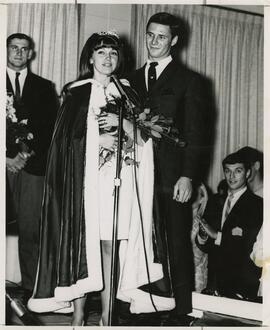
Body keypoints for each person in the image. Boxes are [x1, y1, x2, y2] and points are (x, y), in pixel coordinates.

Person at [28, 31, 175, 326]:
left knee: (111, 247)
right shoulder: (77, 92)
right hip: (85, 182)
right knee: (84, 244)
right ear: (90, 57)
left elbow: (145, 138)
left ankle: (107, 317)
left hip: (118, 181)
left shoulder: (130, 93)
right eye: (101, 53)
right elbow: (64, 142)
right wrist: (97, 141)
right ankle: (79, 316)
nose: (108, 59)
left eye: (113, 53)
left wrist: (124, 129)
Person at [128, 12, 208, 325]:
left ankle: (181, 309)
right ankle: (142, 305)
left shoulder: (190, 81)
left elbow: (197, 134)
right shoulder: (130, 79)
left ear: (174, 40)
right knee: (139, 241)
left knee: (174, 241)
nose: (154, 42)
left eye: (161, 36)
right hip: (135, 174)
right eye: (150, 34)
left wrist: (188, 176)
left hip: (171, 176)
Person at [6, 33, 58, 299]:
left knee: (30, 229)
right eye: (13, 48)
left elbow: (49, 129)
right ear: (6, 50)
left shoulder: (44, 87)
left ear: (31, 54)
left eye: (23, 49)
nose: (18, 53)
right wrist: (6, 156)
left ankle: (31, 288)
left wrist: (25, 155)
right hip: (3, 165)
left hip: (32, 168)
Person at [196, 151, 263, 301]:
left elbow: (249, 245)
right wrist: (203, 235)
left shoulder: (258, 205)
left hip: (241, 286)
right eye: (228, 171)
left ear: (247, 173)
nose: (231, 176)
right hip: (214, 283)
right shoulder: (214, 201)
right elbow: (205, 246)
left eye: (238, 171)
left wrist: (216, 236)